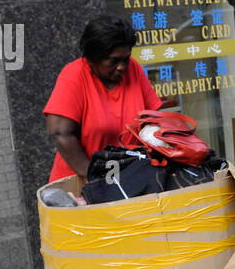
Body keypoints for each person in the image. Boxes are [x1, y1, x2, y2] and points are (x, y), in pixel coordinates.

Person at [44, 15, 167, 182]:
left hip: (128, 178)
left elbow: (155, 119)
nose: (122, 67)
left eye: (126, 59)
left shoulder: (134, 70)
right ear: (94, 57)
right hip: (82, 184)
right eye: (113, 61)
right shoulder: (74, 75)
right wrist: (92, 177)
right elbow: (60, 132)